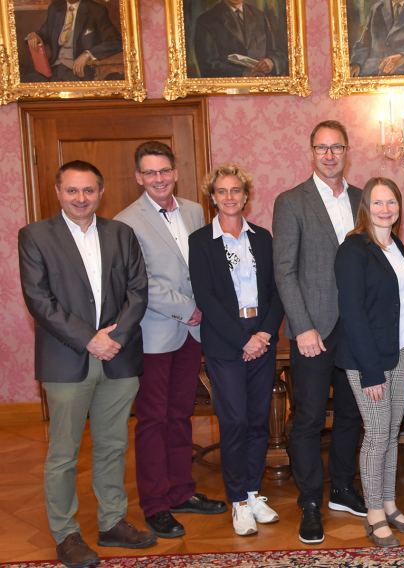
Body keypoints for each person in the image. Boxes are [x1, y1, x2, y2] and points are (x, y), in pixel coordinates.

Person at [19, 161, 156, 568]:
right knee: (64, 453)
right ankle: (66, 534)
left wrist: (113, 338)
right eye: (72, 190)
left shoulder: (122, 234)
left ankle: (112, 521)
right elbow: (39, 301)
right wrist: (88, 339)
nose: (81, 198)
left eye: (89, 191)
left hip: (118, 358)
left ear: (100, 192)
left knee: (113, 446)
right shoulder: (36, 237)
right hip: (67, 361)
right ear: (58, 191)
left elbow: (138, 291)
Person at [115, 141, 227, 539]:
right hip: (155, 333)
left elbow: (205, 266)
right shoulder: (126, 222)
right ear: (138, 178)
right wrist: (188, 308)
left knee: (181, 415)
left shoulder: (197, 211)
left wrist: (207, 308)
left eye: (164, 171)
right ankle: (156, 504)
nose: (158, 178)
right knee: (153, 420)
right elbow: (138, 282)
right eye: (150, 173)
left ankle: (182, 491)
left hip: (192, 333)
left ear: (175, 172)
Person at [273, 120, 366, 544]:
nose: (330, 155)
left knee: (352, 414)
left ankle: (344, 489)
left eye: (337, 147)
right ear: (311, 152)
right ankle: (310, 500)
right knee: (308, 418)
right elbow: (285, 271)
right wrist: (303, 326)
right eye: (322, 148)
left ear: (347, 151)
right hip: (313, 330)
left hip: (357, 330)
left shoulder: (365, 199)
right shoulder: (291, 201)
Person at [188, 165, 285, 536]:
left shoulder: (263, 238)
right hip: (226, 342)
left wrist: (262, 334)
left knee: (260, 420)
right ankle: (238, 502)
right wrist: (242, 339)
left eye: (236, 191)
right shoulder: (200, 241)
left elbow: (276, 292)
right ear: (212, 197)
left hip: (261, 336)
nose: (229, 197)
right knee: (235, 421)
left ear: (246, 196)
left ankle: (253, 492)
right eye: (222, 191)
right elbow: (205, 297)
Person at [334, 177, 404, 548]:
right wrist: (371, 371)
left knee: (391, 432)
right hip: (367, 359)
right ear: (365, 208)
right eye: (378, 203)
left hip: (402, 351)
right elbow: (352, 315)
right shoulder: (353, 249)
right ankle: (373, 514)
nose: (386, 209)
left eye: (392, 202)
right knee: (376, 434)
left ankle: (389, 503)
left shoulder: (396, 245)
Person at [23, 0, 122, 82]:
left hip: (78, 72)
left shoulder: (96, 10)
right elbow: (44, 34)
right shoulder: (55, 8)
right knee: (27, 81)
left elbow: (116, 42)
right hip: (52, 69)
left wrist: (88, 54)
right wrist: (34, 36)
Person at [192, 0, 287, 78]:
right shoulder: (206, 20)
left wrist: (271, 62)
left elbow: (277, 53)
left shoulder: (260, 16)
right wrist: (243, 74)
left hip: (263, 87)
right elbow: (208, 65)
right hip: (228, 90)